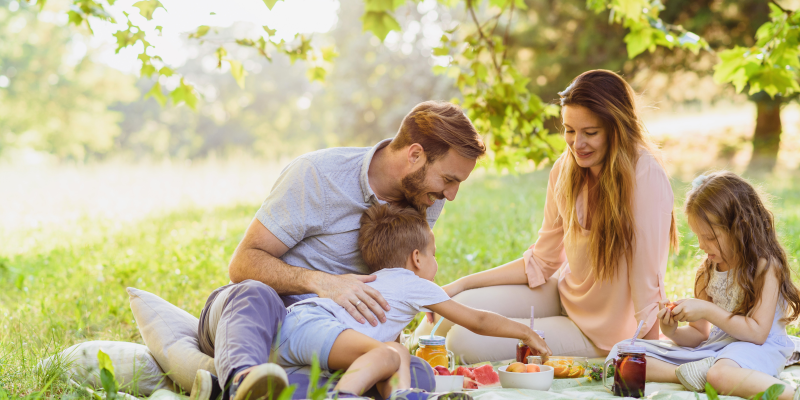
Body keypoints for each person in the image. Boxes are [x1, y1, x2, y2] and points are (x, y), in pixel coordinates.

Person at [192, 101, 487, 400]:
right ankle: (240, 382)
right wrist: (323, 282)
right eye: (448, 180)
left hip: (330, 337)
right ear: (414, 155)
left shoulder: (426, 196)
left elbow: (392, 285)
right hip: (257, 322)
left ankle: (280, 390)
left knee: (415, 372)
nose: (450, 195)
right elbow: (242, 264)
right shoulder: (318, 175)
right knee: (254, 292)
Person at [414, 69, 679, 362]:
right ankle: (396, 358)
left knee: (464, 342)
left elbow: (647, 282)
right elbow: (542, 261)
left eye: (590, 133)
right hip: (563, 296)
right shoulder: (565, 169)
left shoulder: (645, 175)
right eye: (569, 130)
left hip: (603, 334)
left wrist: (648, 359)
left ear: (617, 128)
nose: (577, 144)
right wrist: (461, 284)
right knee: (454, 306)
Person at [269, 203, 550, 399]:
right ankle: (346, 396)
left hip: (291, 330)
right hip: (314, 326)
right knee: (388, 354)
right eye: (434, 254)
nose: (436, 262)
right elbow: (478, 321)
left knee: (397, 352)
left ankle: (401, 396)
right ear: (417, 258)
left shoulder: (382, 280)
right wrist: (525, 332)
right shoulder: (412, 284)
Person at [607, 171, 800, 399]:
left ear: (740, 228)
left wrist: (707, 310)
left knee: (720, 375)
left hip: (759, 347)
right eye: (698, 236)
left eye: (709, 237)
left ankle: (784, 394)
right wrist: (673, 331)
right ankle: (683, 373)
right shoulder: (707, 270)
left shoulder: (765, 267)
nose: (701, 245)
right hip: (716, 348)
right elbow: (700, 335)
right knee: (622, 353)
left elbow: (757, 333)